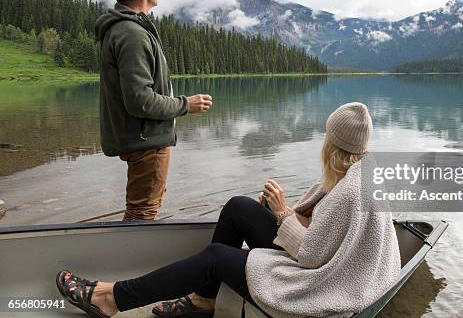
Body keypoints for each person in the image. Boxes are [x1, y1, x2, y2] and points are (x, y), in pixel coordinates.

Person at [56, 102, 401, 318]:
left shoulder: (351, 192)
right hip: (327, 265)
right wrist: (280, 210)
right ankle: (205, 301)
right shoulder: (360, 169)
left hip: (323, 286)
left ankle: (111, 298)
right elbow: (323, 227)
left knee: (217, 258)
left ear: (333, 143)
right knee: (239, 207)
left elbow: (312, 256)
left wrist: (282, 215)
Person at [94, 0, 213, 221]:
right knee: (142, 214)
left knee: (143, 208)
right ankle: (129, 261)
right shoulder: (131, 33)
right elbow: (140, 99)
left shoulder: (127, 29)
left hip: (143, 140)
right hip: (147, 143)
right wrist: (186, 105)